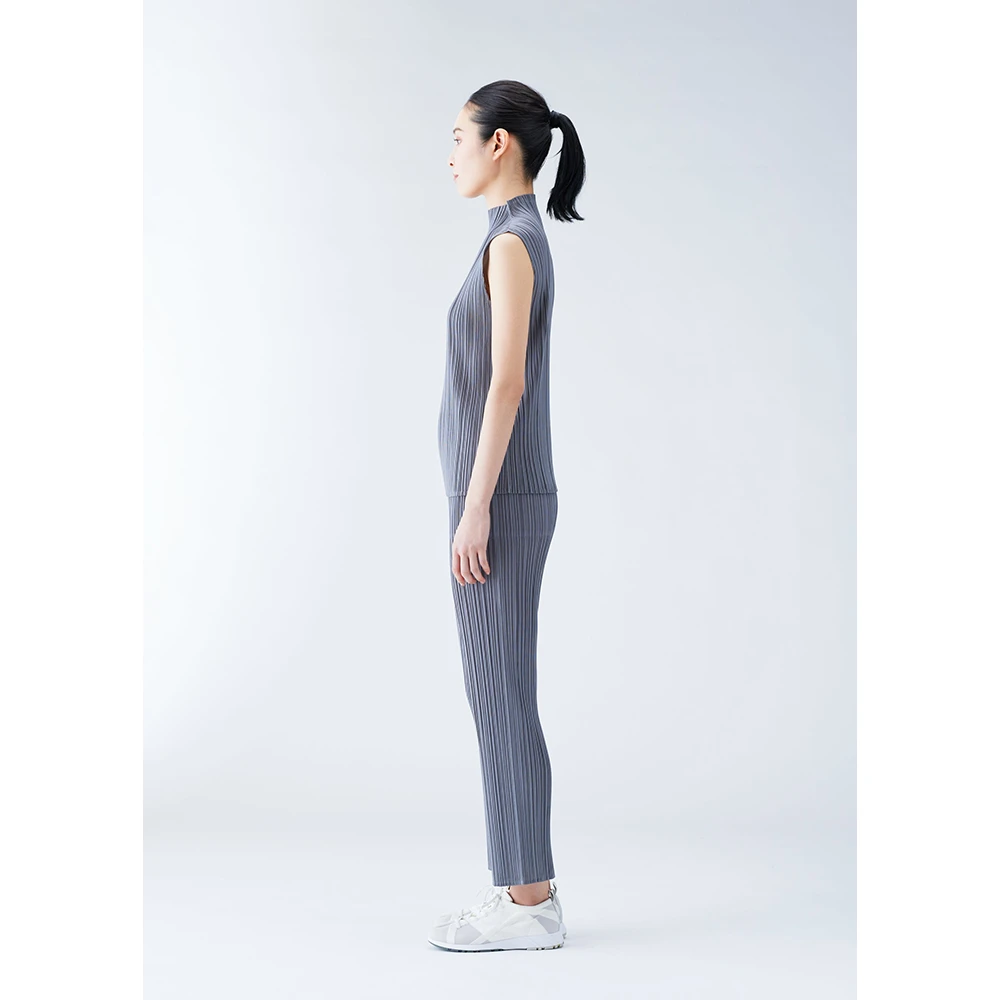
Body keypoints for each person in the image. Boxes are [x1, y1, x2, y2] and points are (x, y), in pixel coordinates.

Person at [427, 80, 586, 953]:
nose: (450, 153)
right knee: (499, 692)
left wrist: (477, 508)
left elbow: (508, 384)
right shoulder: (510, 238)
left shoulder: (514, 244)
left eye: (460, 135)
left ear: (499, 144)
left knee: (500, 695)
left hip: (501, 501)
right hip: (498, 498)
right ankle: (528, 889)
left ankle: (528, 901)